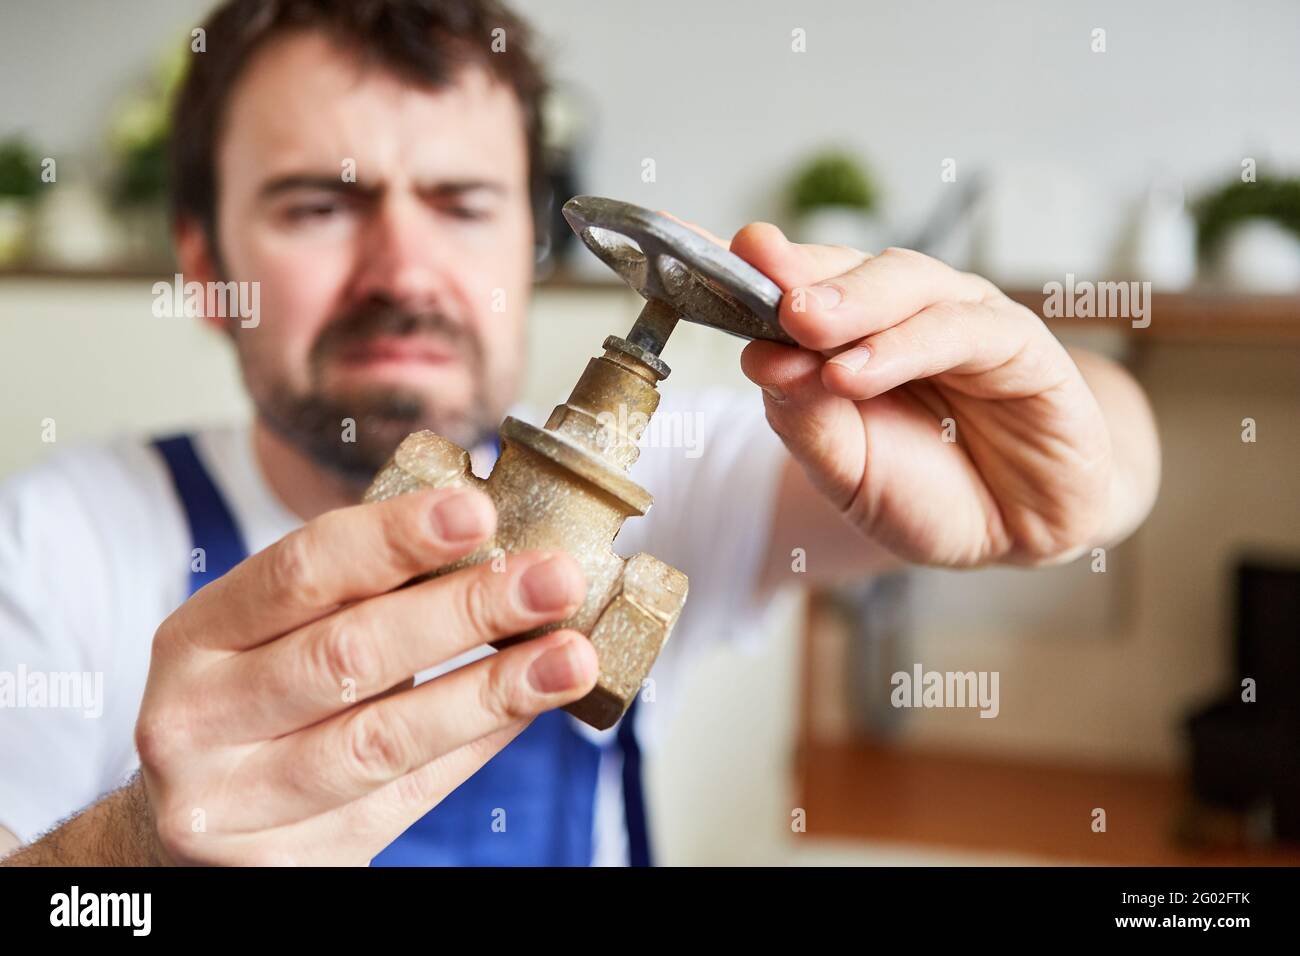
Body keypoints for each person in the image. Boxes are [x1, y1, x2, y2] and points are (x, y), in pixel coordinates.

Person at [0, 0, 1159, 866]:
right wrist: (131, 855)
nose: (404, 269)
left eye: (463, 203)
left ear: (529, 252)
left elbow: (1115, 427)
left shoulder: (694, 478)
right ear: (207, 271)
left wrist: (1064, 481)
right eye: (319, 203)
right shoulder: (62, 539)